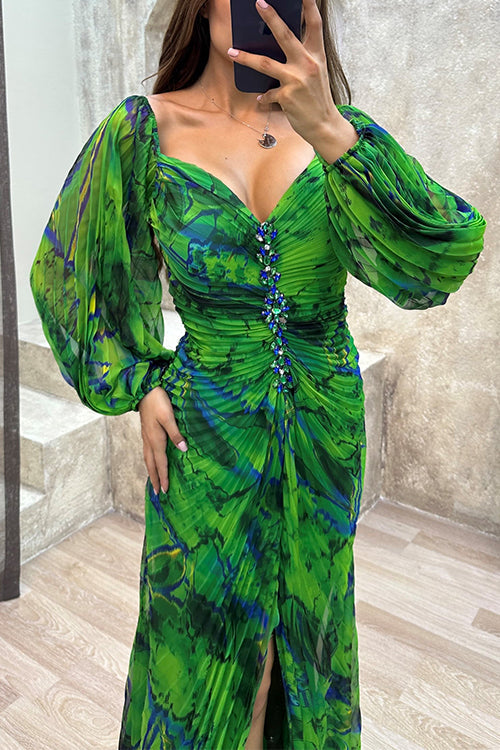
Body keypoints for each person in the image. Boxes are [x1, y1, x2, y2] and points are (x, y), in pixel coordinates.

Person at [29, 0, 486, 747]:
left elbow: (440, 256)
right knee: (199, 648)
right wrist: (140, 382)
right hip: (206, 437)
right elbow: (69, 272)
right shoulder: (143, 133)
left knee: (302, 640)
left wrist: (329, 128)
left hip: (323, 433)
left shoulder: (338, 133)